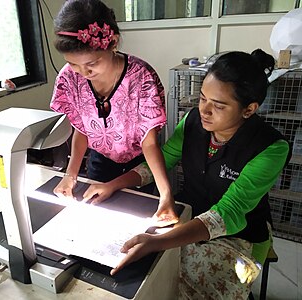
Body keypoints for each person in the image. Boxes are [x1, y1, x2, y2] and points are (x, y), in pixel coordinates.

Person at [88, 49, 290, 298]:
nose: (205, 110)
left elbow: (228, 213)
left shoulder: (271, 148)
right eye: (203, 98)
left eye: (218, 105)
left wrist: (158, 242)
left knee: (190, 275)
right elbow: (162, 160)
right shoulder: (193, 121)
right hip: (187, 215)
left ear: (249, 109)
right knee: (145, 266)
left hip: (241, 236)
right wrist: (114, 185)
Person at [50, 0, 177, 225]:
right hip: (100, 161)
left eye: (92, 63)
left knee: (140, 222)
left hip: (140, 163)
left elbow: (150, 143)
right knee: (98, 219)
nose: (83, 72)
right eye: (73, 64)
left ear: (113, 43)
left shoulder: (141, 78)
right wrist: (71, 175)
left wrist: (166, 195)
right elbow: (81, 130)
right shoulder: (69, 78)